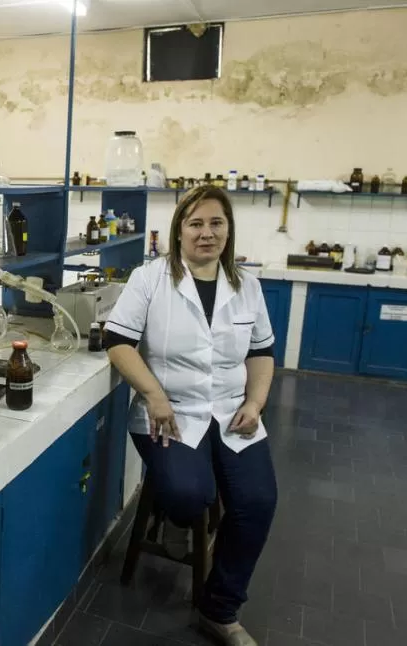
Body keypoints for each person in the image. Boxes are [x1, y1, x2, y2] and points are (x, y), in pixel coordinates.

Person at [104, 185, 277, 646]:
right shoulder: (150, 278)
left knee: (258, 502)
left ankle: (219, 609)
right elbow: (117, 341)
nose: (206, 233)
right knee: (187, 497)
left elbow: (261, 353)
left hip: (233, 412)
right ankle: (177, 501)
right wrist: (154, 395)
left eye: (216, 223)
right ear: (180, 230)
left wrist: (255, 403)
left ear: (228, 231)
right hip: (169, 412)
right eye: (195, 223)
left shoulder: (247, 286)